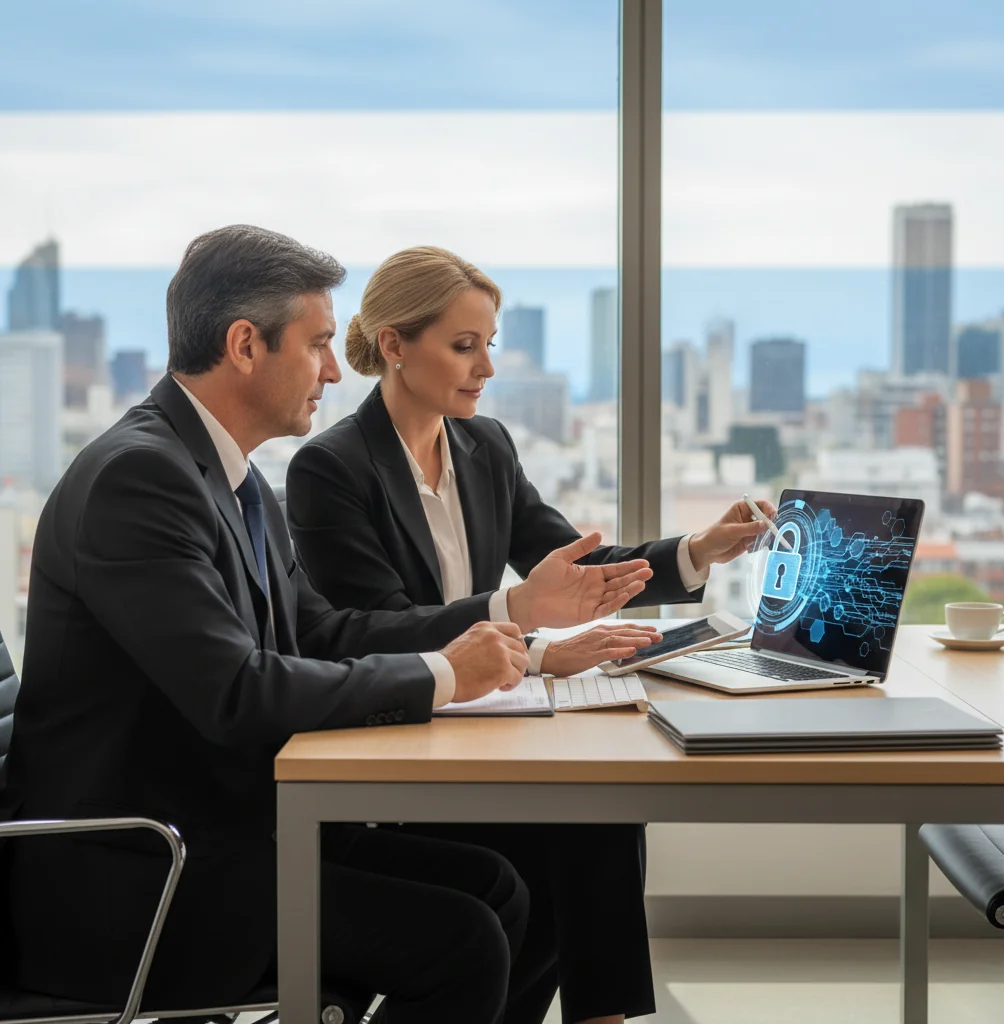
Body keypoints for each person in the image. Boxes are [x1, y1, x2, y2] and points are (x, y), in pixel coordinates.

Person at [2, 226, 652, 1024]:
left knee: (500, 886)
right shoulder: (141, 479)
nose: (336, 368)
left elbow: (322, 630)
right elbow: (236, 692)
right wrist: (445, 676)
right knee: (462, 941)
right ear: (246, 345)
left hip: (223, 832)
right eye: (315, 345)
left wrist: (480, 647)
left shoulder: (231, 477)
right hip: (141, 880)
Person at [286, 245, 773, 1024]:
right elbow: (369, 630)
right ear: (394, 346)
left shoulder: (485, 447)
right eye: (463, 346)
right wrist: (532, 635)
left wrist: (696, 551)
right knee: (582, 832)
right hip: (408, 725)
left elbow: (577, 565)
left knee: (603, 814)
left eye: (489, 345)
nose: (484, 368)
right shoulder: (330, 468)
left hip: (489, 719)